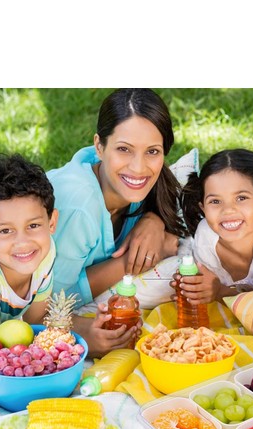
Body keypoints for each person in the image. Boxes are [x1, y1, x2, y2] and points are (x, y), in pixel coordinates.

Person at [47, 88, 187, 355]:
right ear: (99, 146)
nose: (138, 167)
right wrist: (132, 262)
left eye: (152, 152)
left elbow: (177, 210)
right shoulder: (79, 209)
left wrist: (154, 220)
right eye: (124, 149)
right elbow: (47, 307)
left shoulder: (136, 185)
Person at [174, 149, 253, 304]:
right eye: (215, 201)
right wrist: (194, 289)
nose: (228, 210)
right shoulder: (206, 234)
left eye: (241, 198)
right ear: (203, 208)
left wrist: (220, 291)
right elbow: (209, 293)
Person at [0, 154, 58, 332]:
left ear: (51, 223)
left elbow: (36, 321)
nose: (23, 242)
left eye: (33, 225)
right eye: (5, 231)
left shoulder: (45, 254)